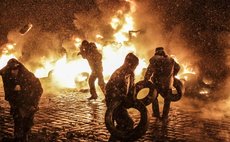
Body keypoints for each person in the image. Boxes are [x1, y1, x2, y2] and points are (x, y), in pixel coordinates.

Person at [0, 58, 43, 142]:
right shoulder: (7, 74)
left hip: (29, 102)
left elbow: (38, 89)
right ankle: (18, 138)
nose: (13, 71)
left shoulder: (29, 76)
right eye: (11, 69)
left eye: (15, 69)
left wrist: (23, 89)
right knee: (18, 121)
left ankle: (25, 137)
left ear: (19, 68)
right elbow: (8, 91)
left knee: (27, 124)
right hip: (17, 103)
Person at [105, 53, 139, 141]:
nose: (135, 67)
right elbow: (109, 88)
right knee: (127, 123)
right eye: (135, 65)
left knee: (122, 124)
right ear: (129, 63)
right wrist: (119, 99)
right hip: (115, 102)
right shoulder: (119, 73)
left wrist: (132, 98)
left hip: (120, 102)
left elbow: (131, 87)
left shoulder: (130, 73)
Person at [144, 47, 180, 121]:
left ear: (156, 52)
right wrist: (173, 74)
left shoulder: (154, 59)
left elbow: (149, 70)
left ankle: (156, 114)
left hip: (157, 82)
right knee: (167, 99)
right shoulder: (171, 59)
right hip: (168, 83)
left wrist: (146, 79)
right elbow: (178, 67)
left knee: (154, 97)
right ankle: (165, 116)